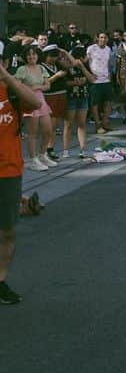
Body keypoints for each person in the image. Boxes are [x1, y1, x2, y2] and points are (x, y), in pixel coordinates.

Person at [0, 57, 46, 304]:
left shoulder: (12, 92)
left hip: (8, 172)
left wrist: (6, 77)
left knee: (6, 232)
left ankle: (0, 281)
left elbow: (35, 102)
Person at [14, 47, 54, 171]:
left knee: (48, 130)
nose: (32, 57)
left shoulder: (41, 68)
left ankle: (42, 155)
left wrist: (38, 87)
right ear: (25, 57)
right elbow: (16, 85)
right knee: (33, 133)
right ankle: (33, 160)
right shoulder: (22, 69)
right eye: (29, 55)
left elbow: (48, 85)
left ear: (38, 56)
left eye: (34, 54)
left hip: (41, 100)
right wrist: (28, 89)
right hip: (29, 101)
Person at [61, 46, 93, 158]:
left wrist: (82, 67)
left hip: (83, 96)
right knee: (68, 124)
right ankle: (65, 150)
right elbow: (63, 82)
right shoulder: (68, 67)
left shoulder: (85, 66)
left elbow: (92, 79)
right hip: (71, 97)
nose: (87, 58)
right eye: (85, 56)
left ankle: (82, 149)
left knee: (82, 124)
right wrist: (74, 83)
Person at [86, 32, 113, 134]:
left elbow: (109, 63)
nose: (103, 39)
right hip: (95, 80)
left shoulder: (108, 49)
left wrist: (110, 73)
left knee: (109, 101)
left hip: (106, 79)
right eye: (101, 37)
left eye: (105, 37)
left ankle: (105, 121)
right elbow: (86, 61)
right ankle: (97, 124)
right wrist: (89, 74)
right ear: (97, 38)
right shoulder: (91, 48)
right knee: (95, 103)